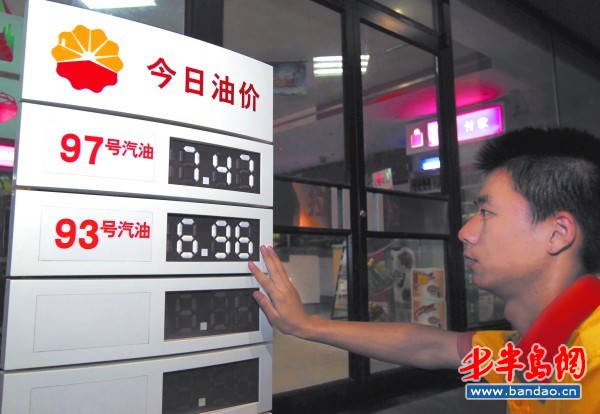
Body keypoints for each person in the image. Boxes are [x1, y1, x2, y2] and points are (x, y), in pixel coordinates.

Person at [249, 127, 600, 413]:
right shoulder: (532, 349)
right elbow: (428, 346)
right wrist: (307, 324)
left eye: (486, 213)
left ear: (558, 233)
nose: (465, 232)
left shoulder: (593, 362)